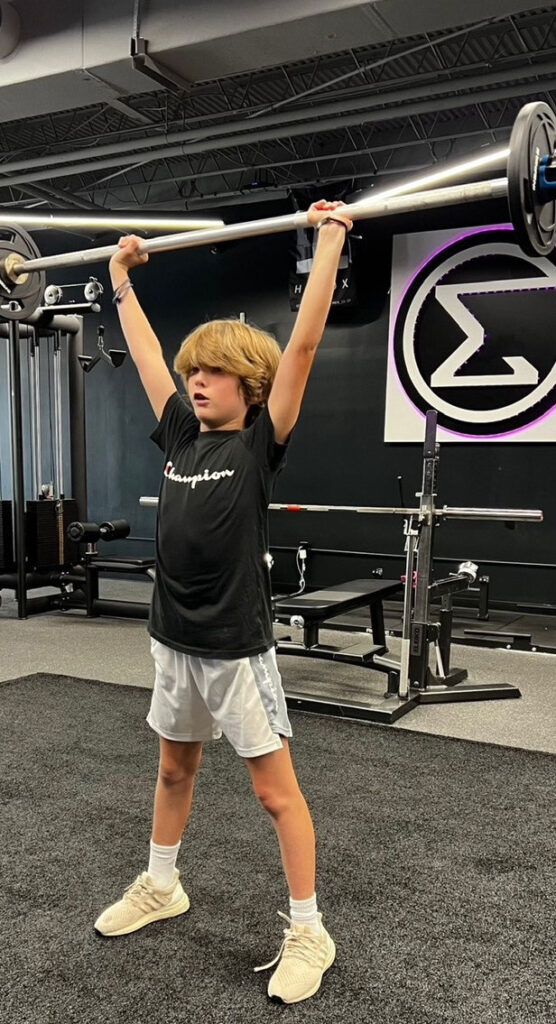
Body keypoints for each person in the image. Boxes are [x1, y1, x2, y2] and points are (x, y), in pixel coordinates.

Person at [93, 199, 353, 1005]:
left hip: (236, 647)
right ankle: (162, 883)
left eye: (212, 373)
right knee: (174, 767)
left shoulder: (258, 443)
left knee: (274, 793)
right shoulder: (180, 432)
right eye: (193, 373)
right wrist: (120, 280)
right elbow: (145, 355)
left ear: (252, 386)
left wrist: (329, 239)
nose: (196, 382)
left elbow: (303, 345)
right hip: (173, 638)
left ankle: (309, 930)